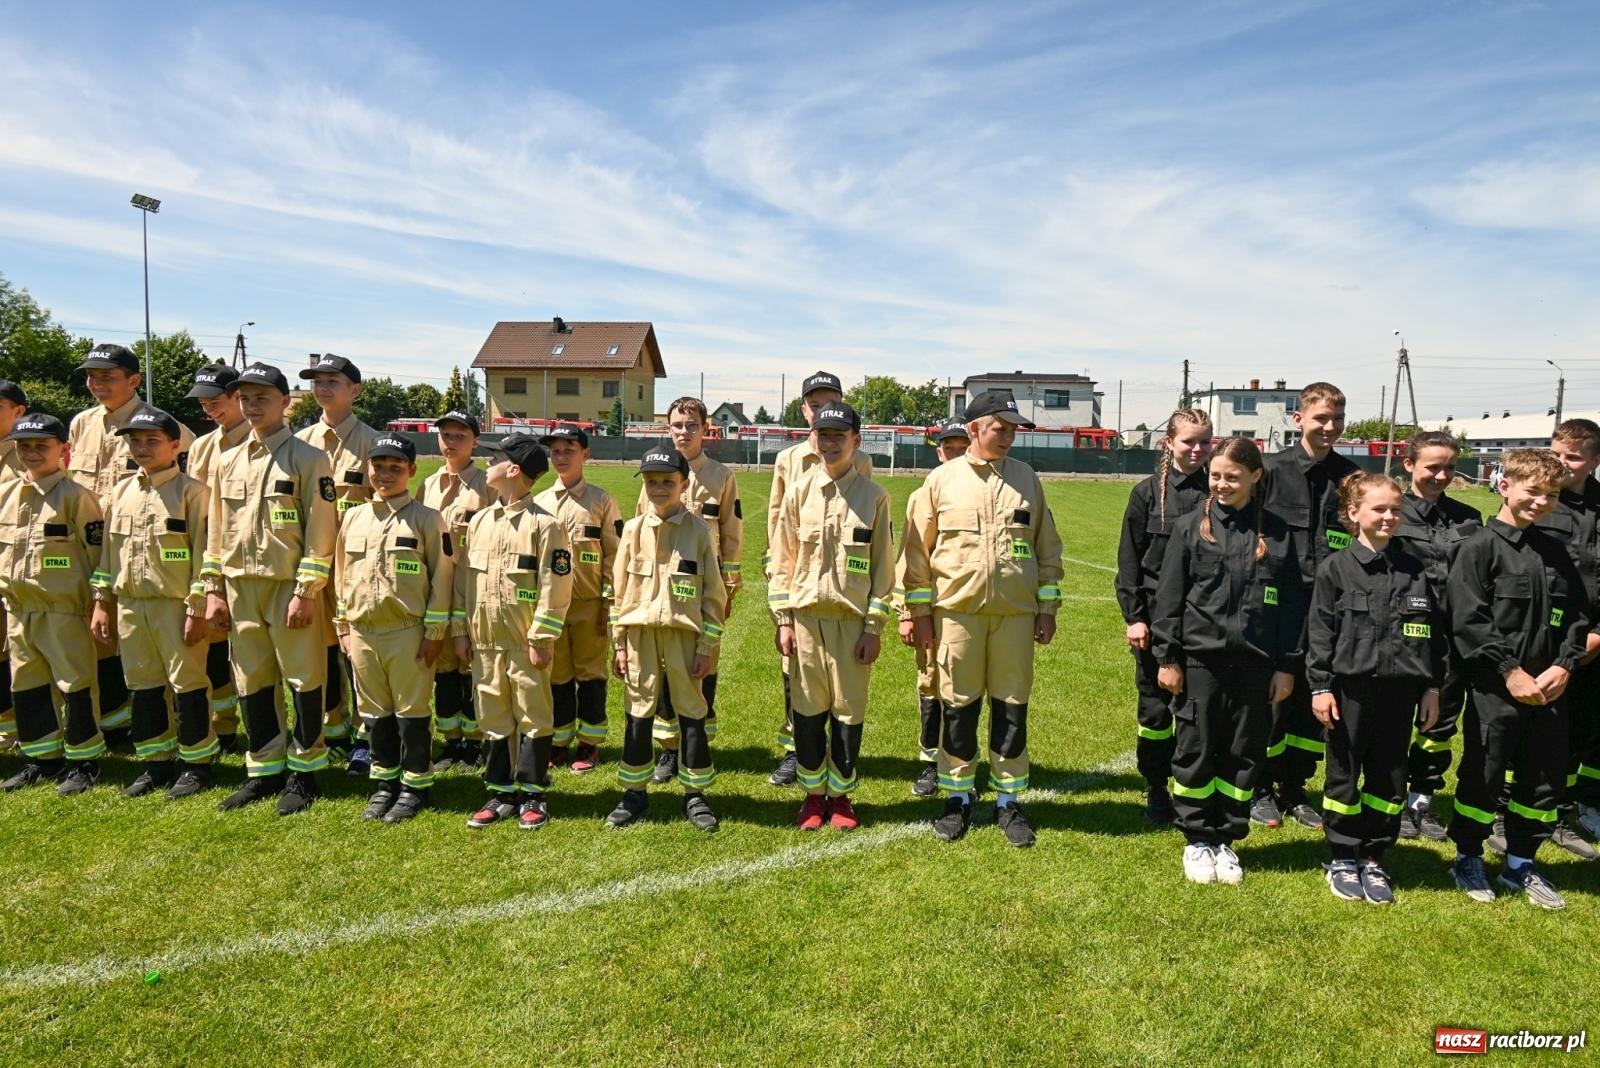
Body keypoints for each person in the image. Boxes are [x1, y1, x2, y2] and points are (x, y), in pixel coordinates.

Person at [901, 390, 1064, 847]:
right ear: (974, 429)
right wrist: (919, 614)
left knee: (1012, 708)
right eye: (1001, 427)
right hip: (957, 615)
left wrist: (1046, 608)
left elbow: (1046, 547)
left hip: (1014, 615)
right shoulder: (941, 481)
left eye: (1013, 429)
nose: (1010, 436)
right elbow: (916, 556)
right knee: (959, 707)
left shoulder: (1027, 479)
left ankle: (1009, 801)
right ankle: (958, 797)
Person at [1151, 437, 1305, 885]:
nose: (1221, 484)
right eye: (1216, 475)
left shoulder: (1277, 534)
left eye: (1232, 477)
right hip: (1200, 663)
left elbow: (1292, 607)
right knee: (1196, 750)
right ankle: (1197, 839)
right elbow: (1169, 599)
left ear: (1255, 477)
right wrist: (1169, 657)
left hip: (1257, 666)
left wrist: (1286, 666)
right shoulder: (1188, 528)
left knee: (1243, 753)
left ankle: (1227, 839)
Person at [1447, 448, 1591, 909]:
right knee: (1484, 773)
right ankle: (1468, 856)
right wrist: (1510, 671)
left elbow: (1577, 615)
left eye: (1551, 494)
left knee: (1544, 778)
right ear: (1505, 487)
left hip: (1550, 685)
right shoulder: (1477, 548)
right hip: (1497, 687)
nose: (1541, 502)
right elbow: (1469, 619)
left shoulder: (1556, 552)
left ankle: (1520, 862)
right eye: (1533, 491)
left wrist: (1563, 665)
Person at [203, 362, 338, 815]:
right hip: (241, 589)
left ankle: (304, 772)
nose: (252, 405)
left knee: (303, 679)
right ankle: (263, 770)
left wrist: (307, 590)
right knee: (252, 681)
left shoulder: (309, 458)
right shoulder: (225, 461)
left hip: (289, 589)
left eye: (262, 397)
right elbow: (216, 532)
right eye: (245, 398)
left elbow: (322, 532)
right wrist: (213, 589)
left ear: (286, 402)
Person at [1307, 473, 1446, 904]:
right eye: (1379, 509)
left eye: (1395, 510)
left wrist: (1431, 688)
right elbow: (1319, 633)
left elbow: (1432, 635)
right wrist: (1319, 687)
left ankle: (1373, 857)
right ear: (1354, 514)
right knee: (1345, 774)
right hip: (1350, 692)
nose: (1388, 516)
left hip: (1401, 692)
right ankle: (1343, 856)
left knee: (1389, 776)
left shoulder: (1416, 569)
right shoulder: (1336, 569)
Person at [770, 403, 893, 830]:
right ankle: (812, 796)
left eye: (839, 435)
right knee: (806, 713)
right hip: (804, 622)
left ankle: (840, 797)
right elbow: (782, 560)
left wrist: (874, 626)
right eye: (823, 434)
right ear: (813, 439)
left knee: (847, 712)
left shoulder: (875, 497)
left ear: (856, 441)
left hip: (851, 624)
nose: (830, 442)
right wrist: (783, 620)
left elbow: (883, 569)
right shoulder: (797, 492)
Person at [67, 344, 195, 746]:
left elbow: (180, 496)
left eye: (107, 376)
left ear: (134, 380)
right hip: (95, 551)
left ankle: (180, 731)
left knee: (167, 650)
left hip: (154, 554)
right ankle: (114, 719)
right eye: (91, 376)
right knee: (98, 637)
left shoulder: (167, 427)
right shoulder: (80, 425)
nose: (96, 384)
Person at [90, 405, 217, 799]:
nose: (142, 448)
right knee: (142, 685)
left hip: (175, 605)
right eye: (134, 441)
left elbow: (206, 554)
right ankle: (155, 761)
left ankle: (197, 763)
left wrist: (197, 608)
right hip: (130, 604)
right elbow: (108, 556)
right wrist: (102, 602)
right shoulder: (120, 492)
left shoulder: (193, 494)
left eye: (152, 440)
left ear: (174, 444)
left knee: (188, 684)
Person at [333, 434, 454, 823]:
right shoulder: (353, 517)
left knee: (411, 713)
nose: (385, 474)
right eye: (378, 466)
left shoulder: (427, 519)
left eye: (395, 467)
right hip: (363, 631)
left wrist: (435, 634)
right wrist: (343, 627)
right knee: (375, 714)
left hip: (408, 632)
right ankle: (385, 784)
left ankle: (415, 785)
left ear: (412, 471)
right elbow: (341, 575)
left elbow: (443, 580)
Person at [457, 434, 572, 830]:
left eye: (496, 458)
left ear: (514, 469)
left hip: (525, 643)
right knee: (494, 717)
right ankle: (500, 791)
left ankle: (533, 793)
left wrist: (541, 638)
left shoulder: (546, 525)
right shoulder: (480, 522)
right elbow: (464, 584)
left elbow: (555, 588)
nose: (487, 464)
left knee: (533, 716)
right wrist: (462, 630)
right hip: (485, 643)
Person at [608, 444, 725, 831]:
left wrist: (707, 646)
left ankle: (695, 795)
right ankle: (634, 793)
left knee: (692, 714)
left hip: (684, 637)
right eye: (652, 481)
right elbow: (619, 591)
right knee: (638, 713)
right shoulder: (632, 530)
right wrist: (620, 644)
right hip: (640, 636)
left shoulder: (699, 532)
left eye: (667, 481)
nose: (659, 488)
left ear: (683, 484)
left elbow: (713, 596)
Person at [1256, 382, 1358, 830]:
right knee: (1270, 698)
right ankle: (1258, 786)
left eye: (1336, 419)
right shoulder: (1271, 471)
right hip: (1278, 605)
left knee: (1312, 701)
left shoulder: (1350, 477)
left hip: (1330, 608)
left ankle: (1294, 789)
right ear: (1299, 419)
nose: (1329, 426)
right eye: (1320, 418)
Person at [766, 370, 875, 786]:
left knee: (841, 680)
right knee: (794, 669)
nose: (822, 410)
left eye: (831, 402)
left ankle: (836, 758)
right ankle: (797, 751)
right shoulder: (788, 461)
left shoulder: (860, 461)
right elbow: (778, 521)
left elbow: (862, 523)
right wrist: (779, 582)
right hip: (800, 583)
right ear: (804, 409)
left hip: (842, 587)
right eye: (815, 404)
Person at [1114, 408, 1214, 824]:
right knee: (1156, 714)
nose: (1196, 449)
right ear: (1168, 443)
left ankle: (1193, 791)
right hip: (1156, 622)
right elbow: (1129, 562)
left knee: (1199, 712)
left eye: (1204, 442)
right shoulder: (1146, 494)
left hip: (1206, 623)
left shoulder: (1220, 489)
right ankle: (1156, 787)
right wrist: (1134, 617)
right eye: (1188, 441)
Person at [637, 397, 742, 785]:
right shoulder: (654, 472)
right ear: (668, 429)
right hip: (663, 591)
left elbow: (731, 534)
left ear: (704, 429)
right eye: (677, 425)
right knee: (664, 667)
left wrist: (729, 587)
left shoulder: (720, 476)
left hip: (703, 590)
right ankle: (667, 748)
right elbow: (640, 531)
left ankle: (696, 743)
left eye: (691, 425)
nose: (684, 432)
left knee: (703, 664)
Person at [0, 413, 106, 795]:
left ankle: (83, 761)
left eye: (40, 446)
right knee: (27, 685)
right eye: (24, 446)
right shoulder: (7, 495)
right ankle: (41, 759)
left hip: (63, 609)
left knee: (74, 684)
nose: (31, 453)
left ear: (64, 450)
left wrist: (100, 602)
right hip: (18, 608)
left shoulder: (77, 498)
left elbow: (98, 558)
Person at [1391, 431, 1482, 841]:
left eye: (1449, 467)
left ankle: (1421, 799)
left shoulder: (1468, 519)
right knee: (1390, 722)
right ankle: (1387, 798)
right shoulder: (1390, 512)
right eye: (1433, 466)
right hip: (1398, 636)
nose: (1442, 475)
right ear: (1409, 464)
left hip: (1449, 639)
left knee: (1439, 726)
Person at [294, 353, 382, 774]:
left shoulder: (371, 444)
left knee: (356, 652)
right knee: (319, 651)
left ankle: (368, 735)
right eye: (318, 381)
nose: (323, 387)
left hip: (355, 569)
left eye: (334, 380)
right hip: (309, 567)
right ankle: (333, 729)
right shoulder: (300, 442)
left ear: (356, 390)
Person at [535, 423, 620, 773]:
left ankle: (590, 743)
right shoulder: (539, 502)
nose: (561, 456)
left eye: (569, 450)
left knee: (590, 675)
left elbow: (615, 555)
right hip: (551, 607)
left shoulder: (601, 501)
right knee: (556, 676)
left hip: (588, 606)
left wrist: (607, 603)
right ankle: (558, 741)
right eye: (555, 450)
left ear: (585, 454)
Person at [1535, 419, 1600, 858]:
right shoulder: (1539, 503)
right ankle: (1538, 808)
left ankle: (1577, 804)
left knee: (1588, 728)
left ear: (1595, 461)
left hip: (1596, 638)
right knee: (1544, 727)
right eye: (1556, 451)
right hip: (1548, 634)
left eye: (1572, 456)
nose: (1561, 462)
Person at [418, 411, 495, 772]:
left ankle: (476, 741)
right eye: (445, 435)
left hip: (471, 592)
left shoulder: (486, 486)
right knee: (443, 670)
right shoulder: (428, 486)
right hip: (435, 591)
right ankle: (451, 742)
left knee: (471, 667)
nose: (450, 442)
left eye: (459, 436)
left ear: (474, 441)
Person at [898, 418, 969, 797]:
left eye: (963, 446)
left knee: (965, 689)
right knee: (930, 684)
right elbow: (908, 560)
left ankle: (960, 762)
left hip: (967, 612)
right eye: (949, 447)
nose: (955, 453)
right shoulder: (923, 493)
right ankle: (929, 762)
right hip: (931, 611)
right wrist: (907, 613)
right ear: (939, 451)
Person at [184, 363, 249, 754]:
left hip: (246, 558)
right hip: (204, 557)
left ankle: (246, 727)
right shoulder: (202, 447)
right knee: (208, 647)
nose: (209, 409)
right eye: (204, 403)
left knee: (248, 653)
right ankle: (220, 725)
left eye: (216, 401)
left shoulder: (257, 444)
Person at [0, 379, 30, 752]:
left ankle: (14, 729)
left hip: (14, 566)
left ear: (19, 410)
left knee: (15, 651)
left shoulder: (30, 453)